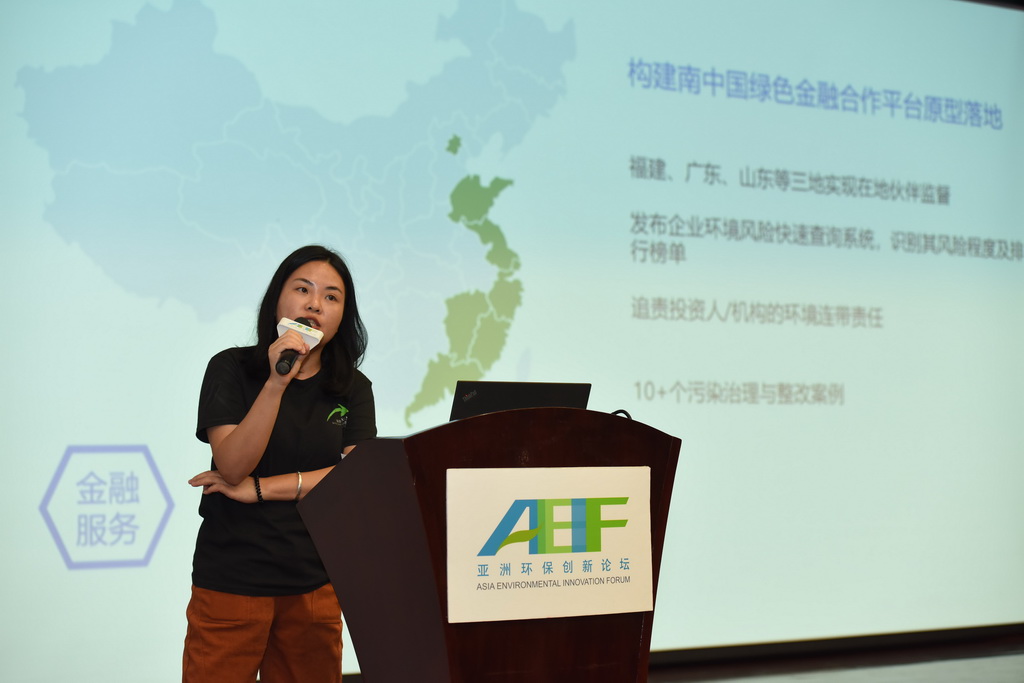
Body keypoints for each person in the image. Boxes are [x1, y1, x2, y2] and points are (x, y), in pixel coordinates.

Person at [182, 245, 376, 683]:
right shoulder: (231, 368)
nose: (315, 304)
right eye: (303, 290)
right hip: (232, 578)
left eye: (331, 296)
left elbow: (355, 478)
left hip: (315, 581)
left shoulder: (353, 388)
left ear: (343, 316)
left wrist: (261, 489)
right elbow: (233, 466)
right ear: (277, 301)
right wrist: (276, 382)